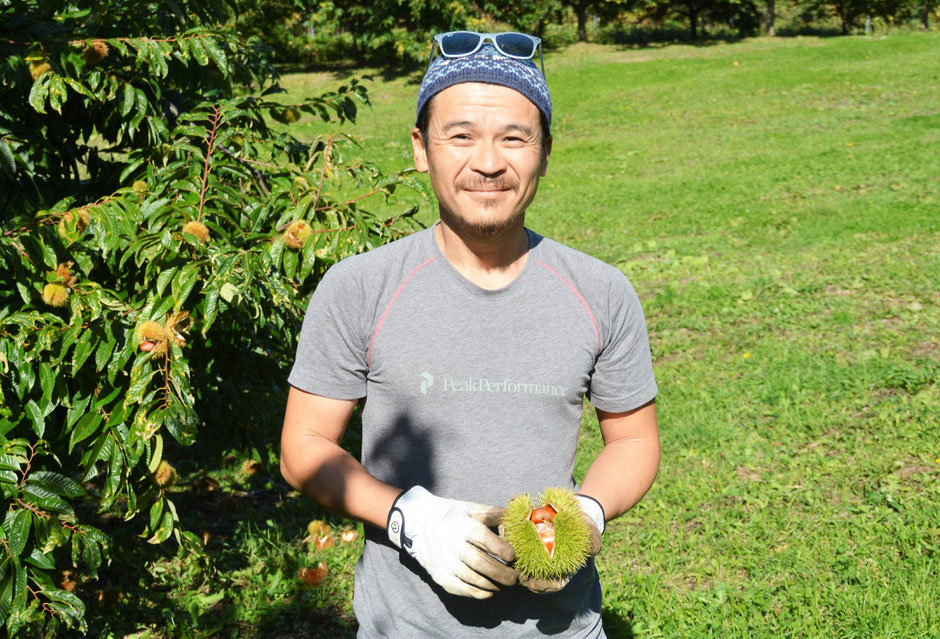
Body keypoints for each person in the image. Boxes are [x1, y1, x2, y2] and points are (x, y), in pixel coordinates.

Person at [280, 30, 660, 638]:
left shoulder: (600, 292)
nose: (488, 162)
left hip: (560, 627)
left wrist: (588, 513)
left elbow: (633, 443)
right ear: (420, 148)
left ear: (545, 150)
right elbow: (303, 446)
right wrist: (409, 517)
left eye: (515, 137)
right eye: (460, 136)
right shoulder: (360, 288)